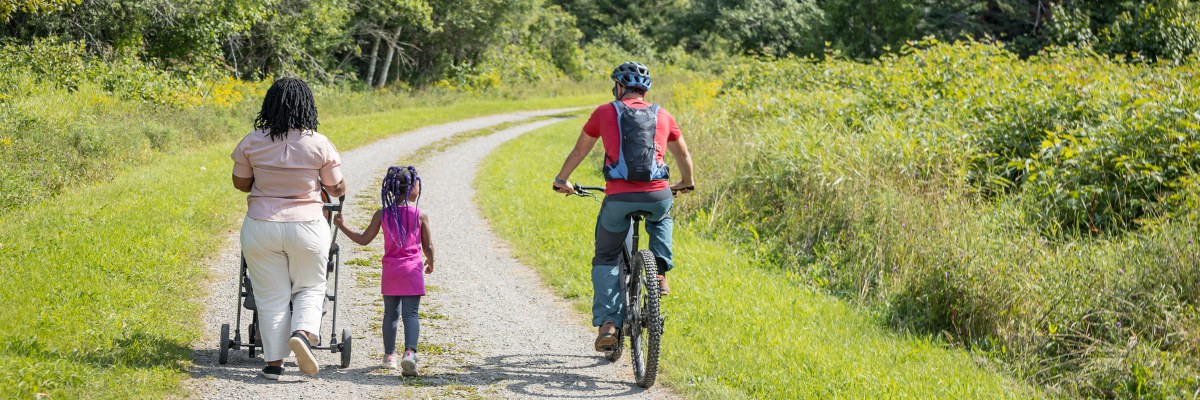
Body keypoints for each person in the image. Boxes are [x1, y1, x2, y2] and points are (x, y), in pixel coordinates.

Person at [552, 61, 695, 352]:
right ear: (644, 90)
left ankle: (608, 323)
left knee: (605, 256)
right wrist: (685, 183)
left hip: (618, 198)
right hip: (657, 195)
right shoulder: (663, 115)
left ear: (619, 87)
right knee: (662, 216)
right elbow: (684, 156)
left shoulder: (605, 111)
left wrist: (561, 180)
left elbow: (580, 150)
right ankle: (659, 273)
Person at [231, 77, 347, 380]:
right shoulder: (319, 143)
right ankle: (303, 332)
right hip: (307, 225)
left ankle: (273, 365)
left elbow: (241, 183)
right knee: (310, 285)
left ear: (269, 104)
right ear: (307, 105)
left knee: (271, 296)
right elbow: (335, 188)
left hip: (261, 226)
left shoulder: (252, 141)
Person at [333, 166, 434, 377]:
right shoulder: (420, 214)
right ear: (412, 190)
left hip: (391, 272)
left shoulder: (383, 214)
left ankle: (389, 356)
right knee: (411, 314)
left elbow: (363, 239)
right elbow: (428, 246)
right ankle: (409, 354)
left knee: (391, 314)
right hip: (412, 271)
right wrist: (430, 261)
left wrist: (342, 226)